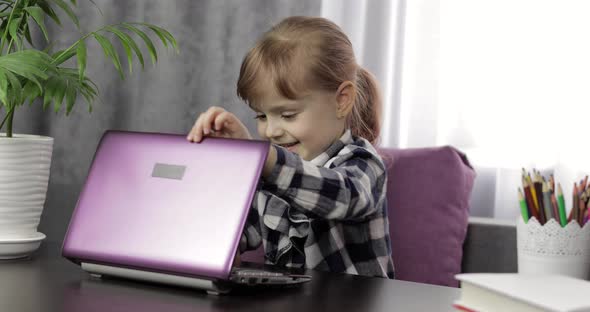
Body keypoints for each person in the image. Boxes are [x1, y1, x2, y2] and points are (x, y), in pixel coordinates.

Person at [187, 16, 394, 279]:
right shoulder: (271, 176)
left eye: (287, 115)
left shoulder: (364, 164)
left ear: (342, 100)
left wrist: (265, 160)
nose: (271, 131)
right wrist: (237, 161)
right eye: (261, 116)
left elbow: (342, 197)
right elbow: (231, 236)